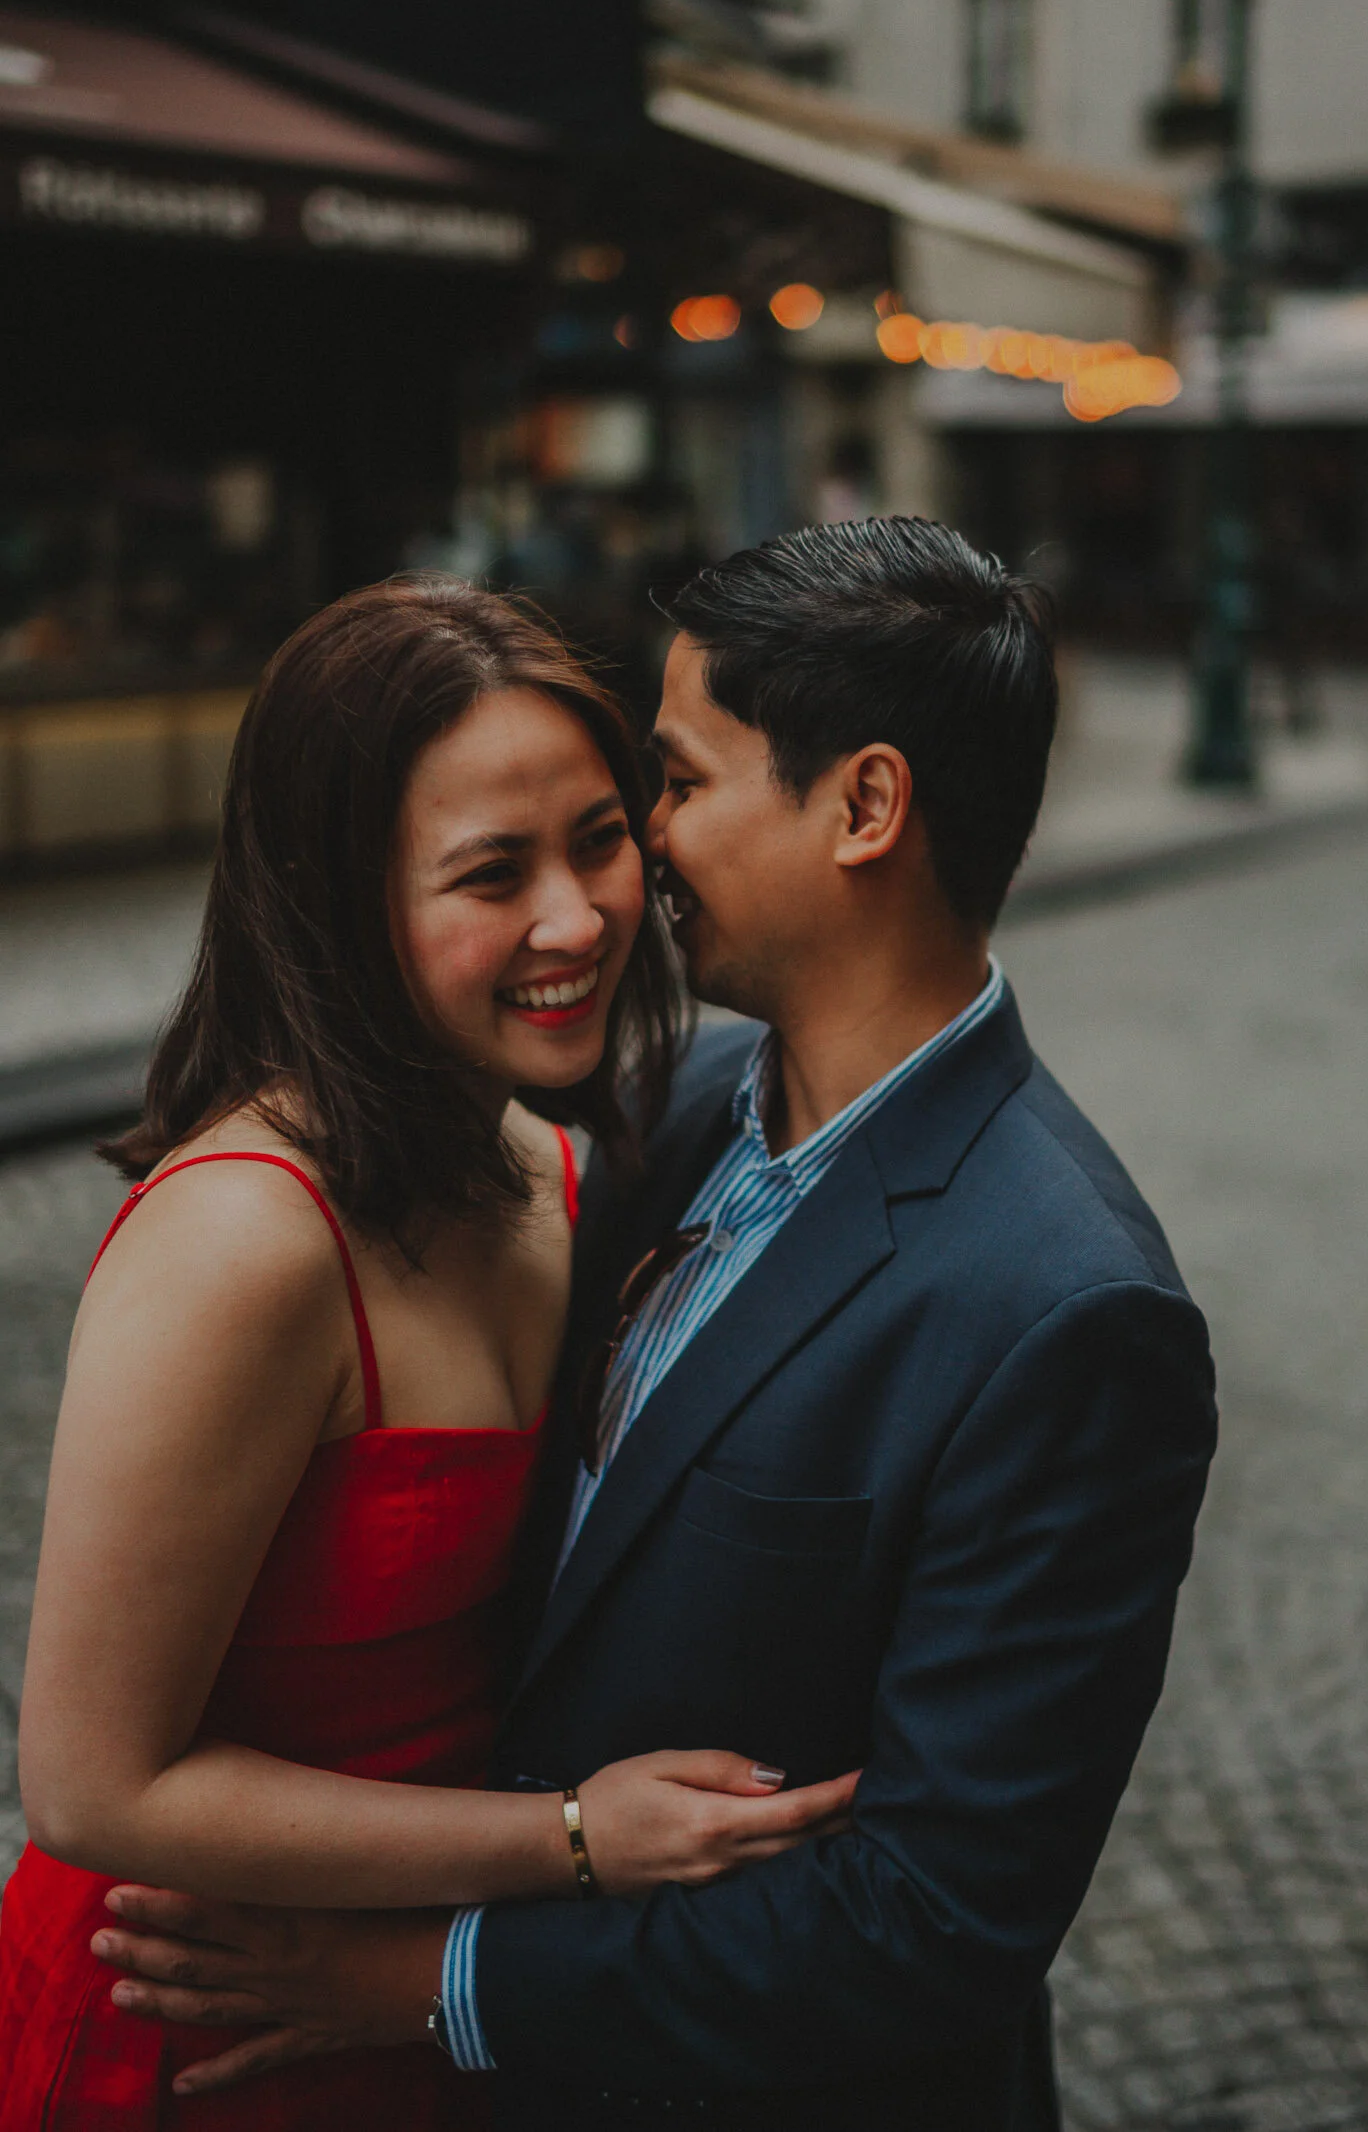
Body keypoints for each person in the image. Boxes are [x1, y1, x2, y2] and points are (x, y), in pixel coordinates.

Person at [97, 519, 1218, 2132]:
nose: (642, 856)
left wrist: (415, 1980)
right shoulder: (656, 1115)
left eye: (676, 785)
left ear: (864, 806)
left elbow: (931, 1920)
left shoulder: (1067, 1308)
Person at [0, 580, 856, 2129]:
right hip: (195, 2023)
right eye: (488, 874)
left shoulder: (567, 1166)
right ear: (339, 906)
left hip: (430, 2006)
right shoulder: (245, 1246)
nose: (576, 919)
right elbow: (88, 1785)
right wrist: (574, 1843)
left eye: (601, 837)